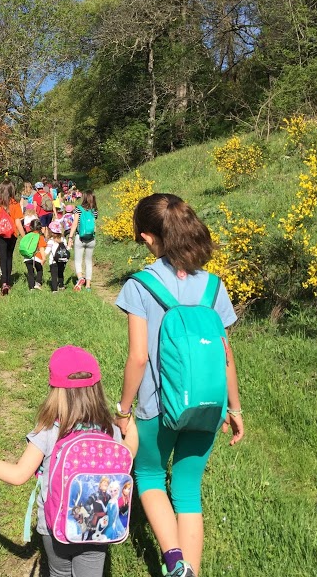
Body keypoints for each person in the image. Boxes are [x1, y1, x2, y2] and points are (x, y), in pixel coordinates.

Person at [114, 193, 245, 577]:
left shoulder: (141, 285)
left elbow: (138, 357)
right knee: (188, 489)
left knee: (151, 477)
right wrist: (233, 409)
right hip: (208, 404)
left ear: (149, 238)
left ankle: (175, 562)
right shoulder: (213, 287)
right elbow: (226, 357)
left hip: (157, 407)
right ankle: (193, 573)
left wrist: (123, 412)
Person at [0, 346, 137, 577]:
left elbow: (18, 475)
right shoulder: (109, 430)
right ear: (96, 389)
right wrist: (129, 420)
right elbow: (129, 454)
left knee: (58, 572)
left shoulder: (49, 431)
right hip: (98, 529)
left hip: (56, 526)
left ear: (55, 390)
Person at [0, 179, 25, 296]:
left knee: (2, 257)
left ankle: (3, 282)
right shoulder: (15, 204)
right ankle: (8, 282)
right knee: (9, 257)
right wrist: (24, 236)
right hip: (12, 235)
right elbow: (18, 222)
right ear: (12, 191)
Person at [67, 190, 98, 292]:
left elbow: (75, 224)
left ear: (83, 198)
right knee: (88, 261)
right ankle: (88, 286)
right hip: (91, 239)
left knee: (78, 260)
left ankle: (80, 278)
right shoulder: (94, 211)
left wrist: (70, 238)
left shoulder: (78, 210)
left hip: (79, 238)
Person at [22, 219, 47, 290]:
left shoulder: (27, 236)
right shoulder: (40, 237)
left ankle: (31, 288)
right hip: (37, 258)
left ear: (30, 227)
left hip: (27, 257)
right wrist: (44, 258)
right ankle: (38, 283)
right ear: (40, 227)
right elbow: (41, 248)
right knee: (39, 270)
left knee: (30, 272)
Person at [46, 220, 67, 292]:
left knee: (54, 275)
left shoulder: (51, 241)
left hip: (53, 261)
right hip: (62, 260)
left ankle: (54, 289)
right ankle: (61, 285)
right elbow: (66, 248)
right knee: (60, 273)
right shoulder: (63, 239)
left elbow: (47, 251)